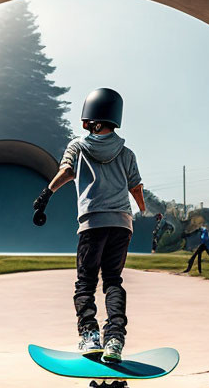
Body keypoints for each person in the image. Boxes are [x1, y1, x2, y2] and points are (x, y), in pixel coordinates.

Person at [32, 88, 144, 362]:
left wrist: (45, 195)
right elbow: (136, 187)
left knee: (85, 283)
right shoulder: (127, 152)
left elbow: (66, 172)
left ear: (89, 117)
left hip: (93, 223)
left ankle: (90, 336)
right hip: (121, 224)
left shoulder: (78, 146)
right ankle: (115, 339)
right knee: (113, 281)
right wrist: (142, 211)